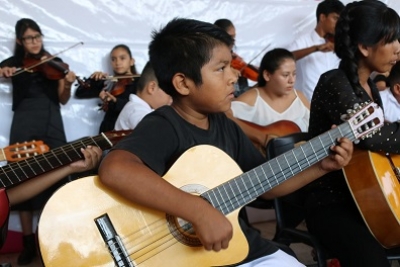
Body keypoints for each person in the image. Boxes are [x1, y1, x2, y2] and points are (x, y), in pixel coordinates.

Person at [98, 18, 353, 266]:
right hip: (181, 255)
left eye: (231, 66)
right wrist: (197, 211)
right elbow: (116, 168)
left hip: (238, 246)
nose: (234, 76)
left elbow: (263, 184)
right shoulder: (164, 124)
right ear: (183, 83)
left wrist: (321, 165)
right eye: (221, 68)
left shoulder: (224, 125)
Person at [304, 1, 400, 266]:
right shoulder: (335, 82)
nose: (398, 49)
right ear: (364, 47)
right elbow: (374, 136)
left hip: (371, 195)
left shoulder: (371, 86)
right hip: (332, 204)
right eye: (391, 40)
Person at [0, 18, 76, 265]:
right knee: (21, 176)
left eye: (37, 37)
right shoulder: (14, 63)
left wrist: (66, 83)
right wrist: (4, 71)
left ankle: (50, 238)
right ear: (21, 41)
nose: (34, 42)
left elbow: (63, 99)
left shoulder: (54, 63)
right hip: (24, 121)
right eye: (29, 38)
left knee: (55, 173)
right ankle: (28, 242)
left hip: (52, 121)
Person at [227, 48, 309, 150]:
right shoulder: (253, 98)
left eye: (294, 74)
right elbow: (225, 115)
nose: (292, 80)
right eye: (285, 75)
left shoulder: (299, 97)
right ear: (267, 75)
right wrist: (260, 136)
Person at [75, 44, 138, 133]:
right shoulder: (109, 82)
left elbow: (137, 107)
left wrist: (115, 102)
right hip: (108, 129)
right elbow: (80, 92)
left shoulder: (139, 82)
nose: (117, 62)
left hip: (128, 130)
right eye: (113, 59)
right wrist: (94, 80)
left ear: (131, 61)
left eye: (122, 58)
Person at [288, 0, 344, 101]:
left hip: (333, 103)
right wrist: (315, 48)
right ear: (322, 17)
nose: (339, 23)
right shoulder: (302, 41)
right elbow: (285, 58)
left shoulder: (339, 44)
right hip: (307, 104)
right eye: (335, 18)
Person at [114, 61, 172, 130]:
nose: (171, 100)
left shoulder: (139, 108)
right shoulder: (137, 110)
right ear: (152, 88)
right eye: (170, 93)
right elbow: (155, 133)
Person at [214, 18, 257, 97]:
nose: (233, 41)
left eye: (234, 37)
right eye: (230, 37)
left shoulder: (233, 56)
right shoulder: (212, 58)